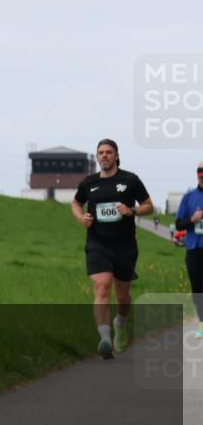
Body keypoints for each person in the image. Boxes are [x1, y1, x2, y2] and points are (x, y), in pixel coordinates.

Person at [71, 139, 153, 359]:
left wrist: (132, 210)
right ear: (97, 157)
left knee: (123, 295)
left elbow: (149, 206)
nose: (104, 156)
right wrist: (81, 218)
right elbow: (76, 203)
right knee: (102, 286)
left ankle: (120, 323)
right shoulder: (89, 183)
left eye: (108, 152)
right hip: (98, 244)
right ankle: (105, 339)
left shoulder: (130, 180)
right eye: (100, 152)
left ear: (116, 156)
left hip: (125, 246)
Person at [174, 163, 203, 338]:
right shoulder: (189, 197)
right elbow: (179, 224)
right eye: (200, 173)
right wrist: (193, 219)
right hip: (194, 249)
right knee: (198, 288)